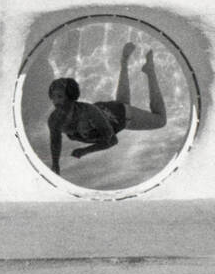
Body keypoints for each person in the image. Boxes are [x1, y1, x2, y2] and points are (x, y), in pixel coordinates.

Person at [47, 42, 167, 175]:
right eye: (53, 97)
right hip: (109, 110)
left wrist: (85, 151)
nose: (55, 101)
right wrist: (55, 164)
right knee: (122, 103)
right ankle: (124, 62)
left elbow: (112, 141)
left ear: (71, 97)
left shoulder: (87, 113)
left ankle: (150, 71)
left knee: (160, 120)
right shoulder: (54, 120)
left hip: (122, 115)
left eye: (60, 97)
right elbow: (55, 142)